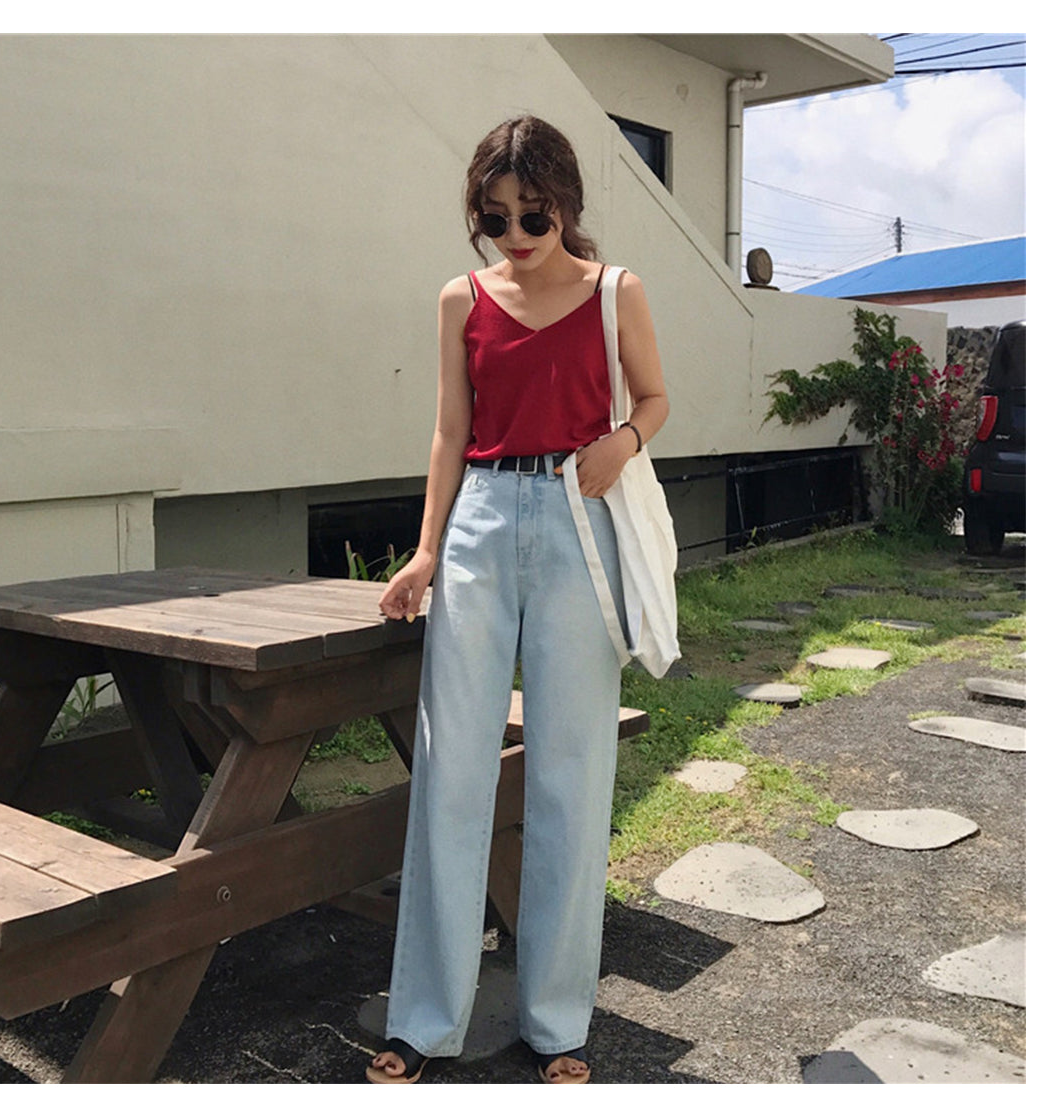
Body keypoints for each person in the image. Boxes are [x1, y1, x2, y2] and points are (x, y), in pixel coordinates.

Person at [366, 115, 669, 1085]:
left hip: (581, 521)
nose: (515, 233)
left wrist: (622, 442)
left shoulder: (615, 290)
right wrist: (424, 551)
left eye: (533, 213)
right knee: (450, 770)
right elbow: (449, 431)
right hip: (482, 524)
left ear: (564, 204)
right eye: (494, 217)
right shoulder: (462, 298)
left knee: (570, 775)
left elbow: (654, 398)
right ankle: (424, 1018)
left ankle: (557, 1021)